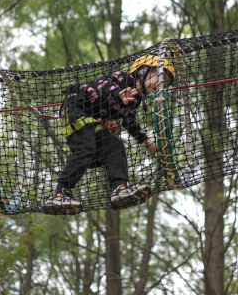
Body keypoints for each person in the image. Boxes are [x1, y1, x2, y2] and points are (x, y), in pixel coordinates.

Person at [43, 56, 175, 215]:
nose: (162, 85)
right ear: (142, 72)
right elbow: (103, 85)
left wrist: (148, 144)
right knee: (85, 147)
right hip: (76, 107)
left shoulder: (136, 100)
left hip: (91, 120)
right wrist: (118, 93)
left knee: (114, 146)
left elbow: (129, 122)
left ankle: (120, 189)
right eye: (159, 78)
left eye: (165, 84)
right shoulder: (124, 78)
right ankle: (60, 193)